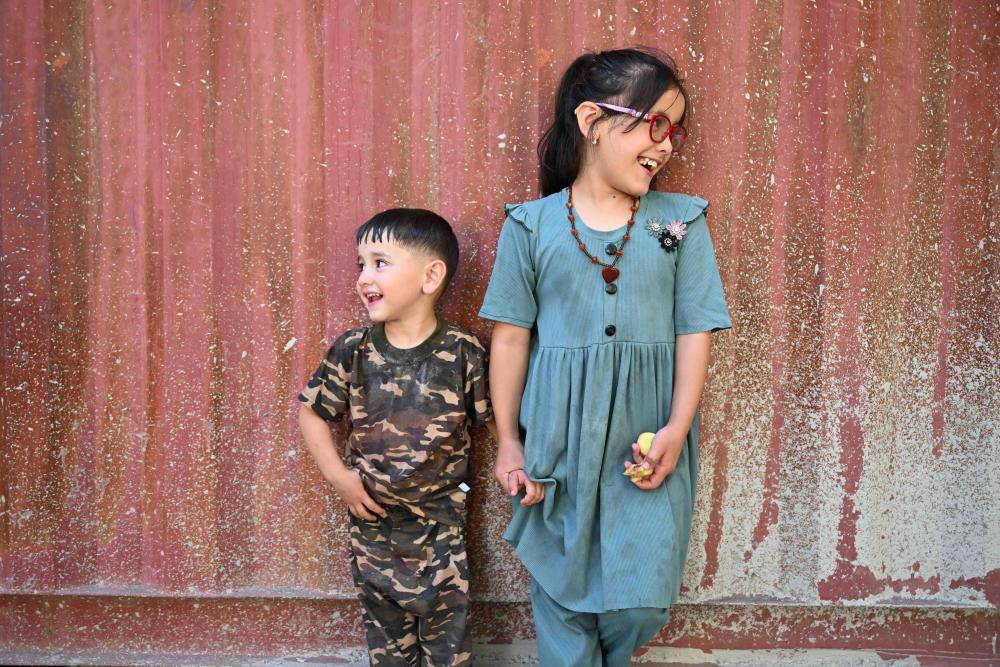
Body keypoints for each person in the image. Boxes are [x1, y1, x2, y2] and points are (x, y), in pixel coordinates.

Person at [479, 48, 732, 667]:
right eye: (655, 124)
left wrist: (677, 428)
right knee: (561, 591)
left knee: (640, 604)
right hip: (557, 438)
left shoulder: (682, 222)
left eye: (675, 131)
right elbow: (509, 339)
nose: (665, 145)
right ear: (592, 121)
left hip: (646, 442)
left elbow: (694, 330)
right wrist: (508, 442)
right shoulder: (531, 226)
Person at [299, 208, 492, 667]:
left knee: (449, 652)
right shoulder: (353, 350)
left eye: (380, 263)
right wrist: (339, 478)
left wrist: (519, 462)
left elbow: (497, 419)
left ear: (431, 276)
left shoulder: (463, 353)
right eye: (360, 264)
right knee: (388, 652)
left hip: (441, 534)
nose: (364, 277)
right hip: (373, 530)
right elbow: (312, 412)